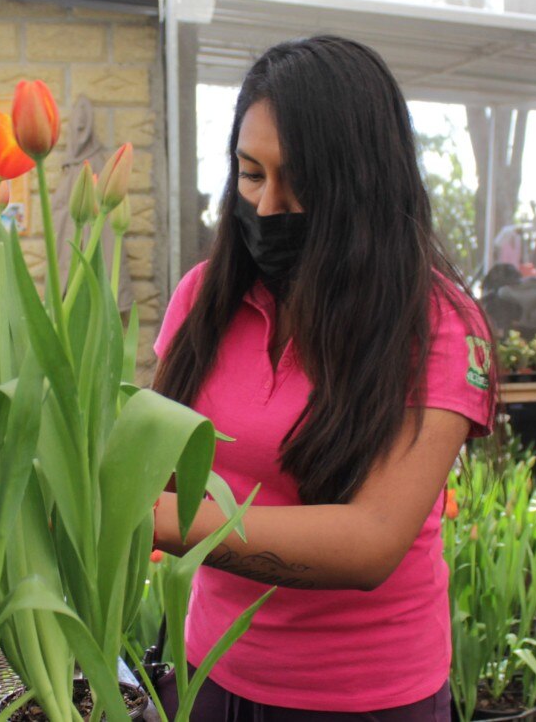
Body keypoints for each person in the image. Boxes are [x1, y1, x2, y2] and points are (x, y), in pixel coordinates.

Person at [151, 36, 497, 721]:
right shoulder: (202, 298)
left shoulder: (439, 325)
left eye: (300, 182)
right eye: (252, 175)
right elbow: (156, 456)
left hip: (364, 696)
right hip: (209, 675)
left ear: (364, 183)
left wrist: (151, 519)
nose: (271, 208)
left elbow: (370, 541)